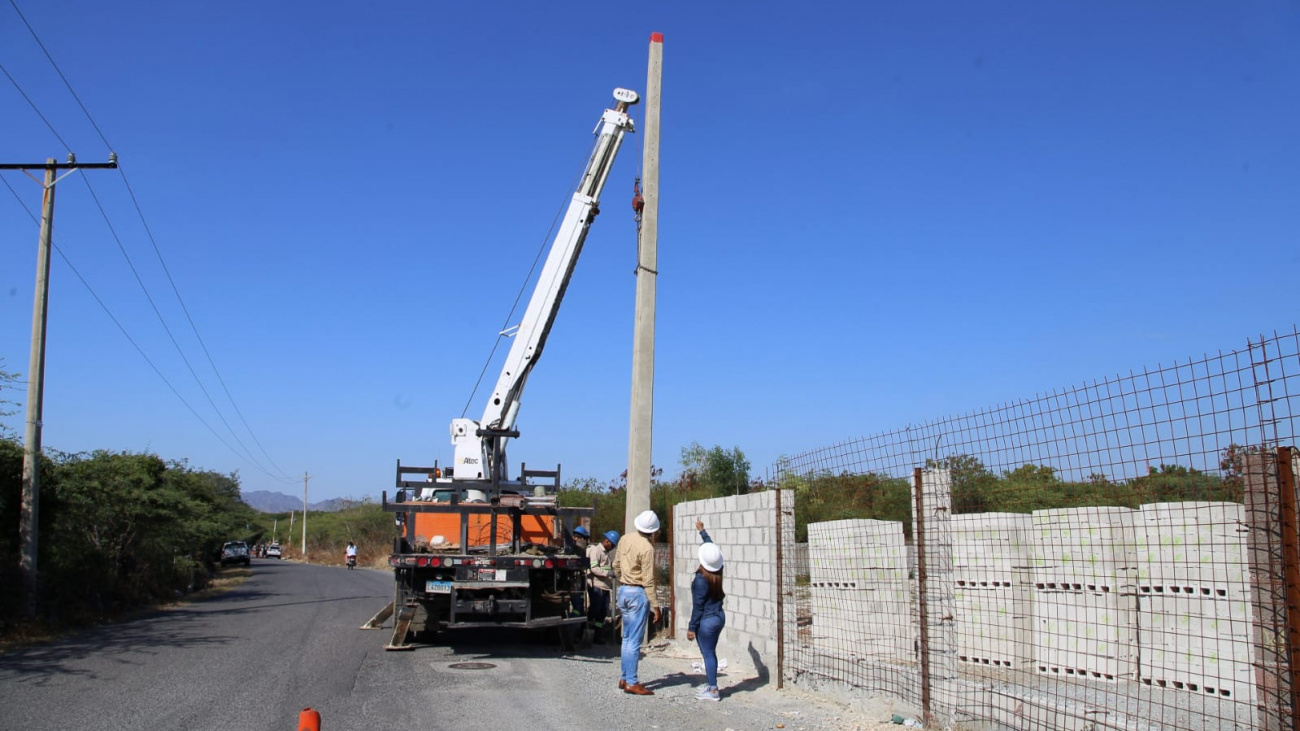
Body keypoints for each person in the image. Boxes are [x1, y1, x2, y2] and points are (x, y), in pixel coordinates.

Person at [614, 510, 660, 696]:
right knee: (634, 640)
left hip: (623, 590)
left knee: (626, 638)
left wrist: (624, 579)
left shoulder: (625, 538)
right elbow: (648, 580)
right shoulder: (647, 548)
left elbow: (616, 564)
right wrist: (656, 605)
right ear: (654, 530)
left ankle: (625, 676)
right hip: (637, 592)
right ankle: (632, 681)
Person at [688, 518, 726, 702]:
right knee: (711, 652)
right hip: (719, 616)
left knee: (708, 653)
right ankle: (711, 684)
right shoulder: (718, 571)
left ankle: (713, 691)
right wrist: (702, 532)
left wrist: (691, 627)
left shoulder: (701, 580)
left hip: (707, 621)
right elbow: (712, 550)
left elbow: (698, 607)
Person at [587, 530, 619, 643]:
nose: (613, 547)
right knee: (594, 610)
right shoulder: (596, 550)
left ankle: (597, 635)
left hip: (605, 587)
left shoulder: (605, 553)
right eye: (613, 545)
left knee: (603, 612)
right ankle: (586, 633)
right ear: (607, 541)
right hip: (597, 586)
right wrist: (607, 573)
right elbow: (594, 568)